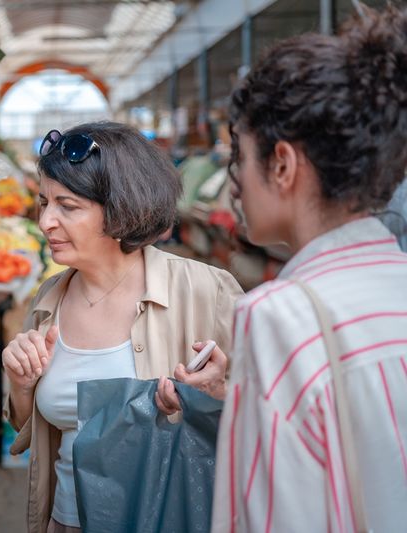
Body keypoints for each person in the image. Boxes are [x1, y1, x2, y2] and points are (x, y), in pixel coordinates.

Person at [156, 6, 407, 532]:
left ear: (283, 165)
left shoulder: (279, 317)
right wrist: (237, 395)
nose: (234, 180)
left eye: (238, 157)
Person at [3, 122, 244, 533]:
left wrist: (221, 394)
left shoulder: (207, 291)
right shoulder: (48, 301)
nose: (46, 221)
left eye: (68, 206)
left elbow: (276, 418)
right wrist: (22, 386)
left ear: (121, 208)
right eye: (44, 203)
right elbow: (32, 428)